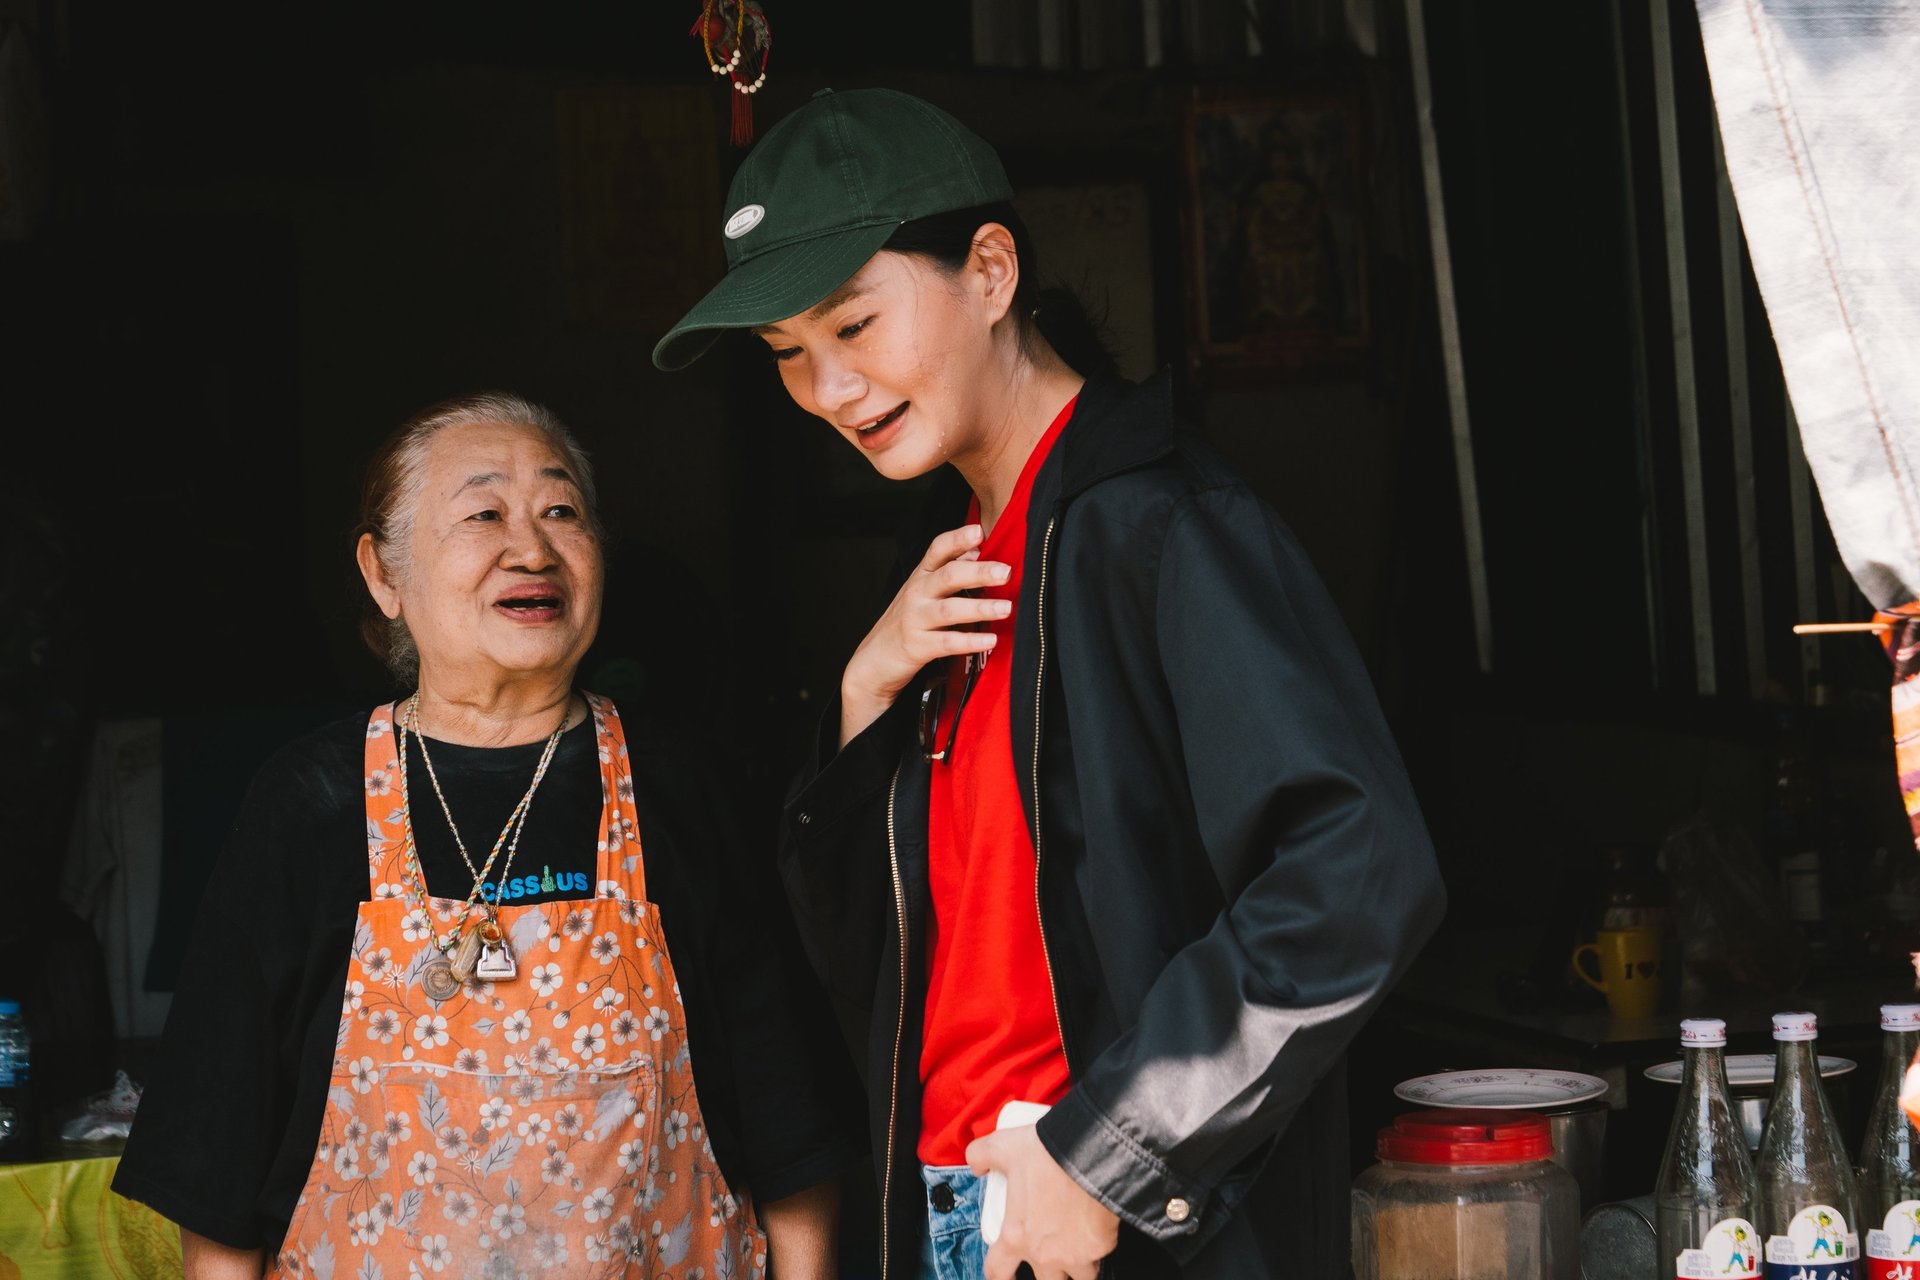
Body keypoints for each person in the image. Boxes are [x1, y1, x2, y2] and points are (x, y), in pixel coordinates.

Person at [651, 87, 1448, 1280]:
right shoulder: (947, 570)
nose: (828, 389)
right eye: (787, 357)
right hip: (956, 1215)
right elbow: (873, 970)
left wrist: (1114, 1148)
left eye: (854, 326)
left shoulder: (1162, 531)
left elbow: (1358, 868)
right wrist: (866, 696)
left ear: (989, 270)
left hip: (1117, 1217)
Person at [112, 392, 847, 1279]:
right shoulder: (309, 804)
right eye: (484, 513)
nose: (532, 548)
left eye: (561, 511)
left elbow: (790, 1136)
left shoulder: (680, 791)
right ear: (383, 574)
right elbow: (217, 1169)